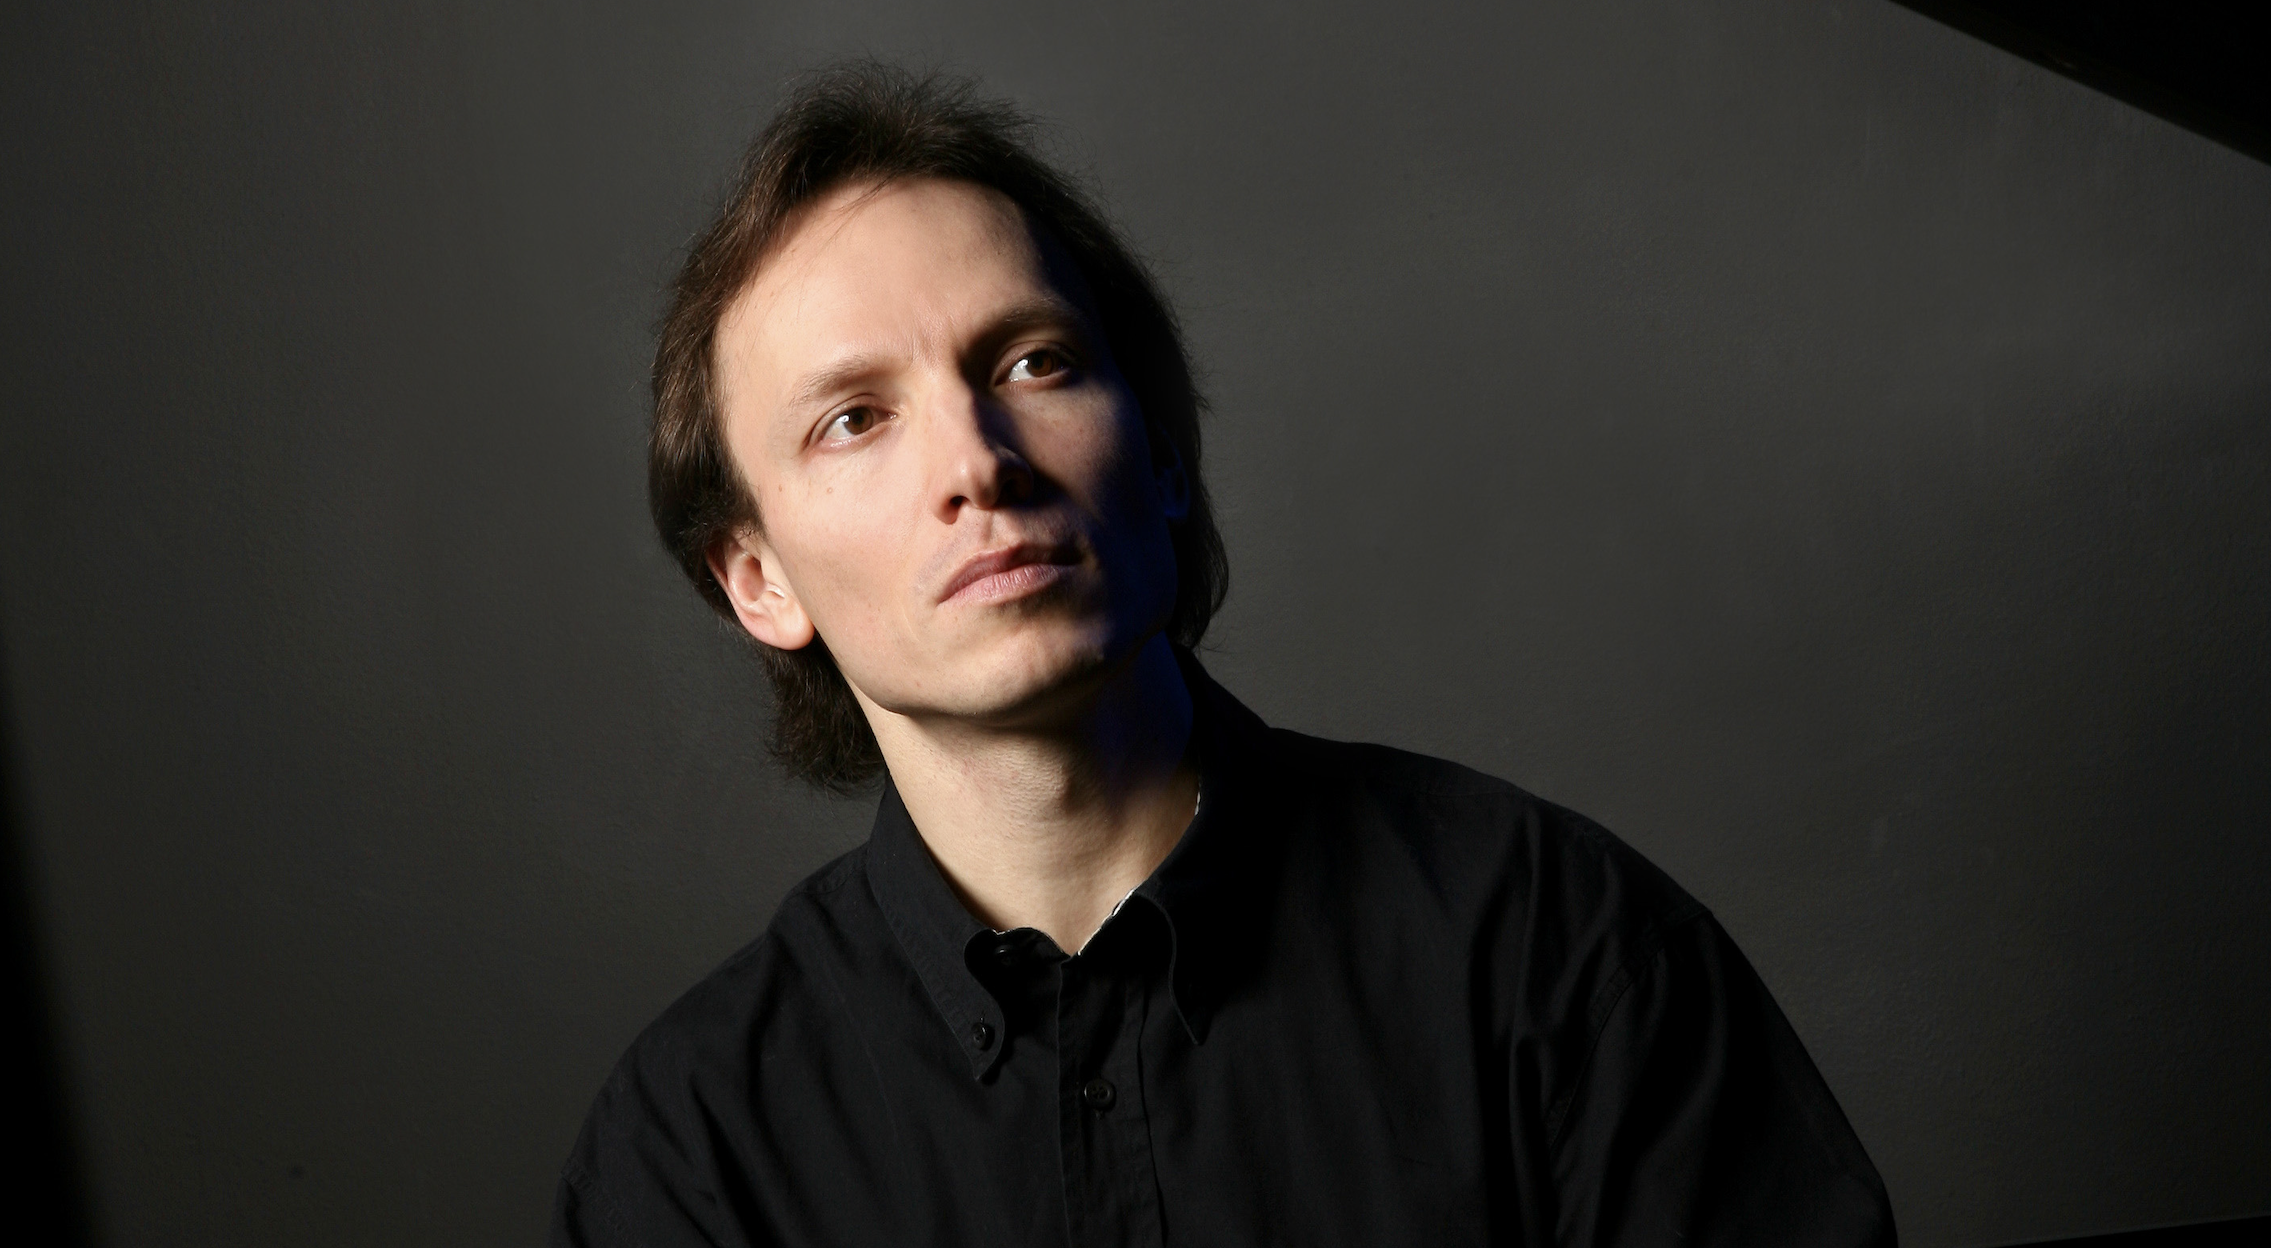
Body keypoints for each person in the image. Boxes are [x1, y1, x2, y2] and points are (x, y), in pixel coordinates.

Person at [552, 62, 1896, 1248]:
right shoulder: (695, 1151)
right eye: (855, 418)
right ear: (758, 580)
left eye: (1033, 363)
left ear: (1163, 456)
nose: (977, 463)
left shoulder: (1559, 952)